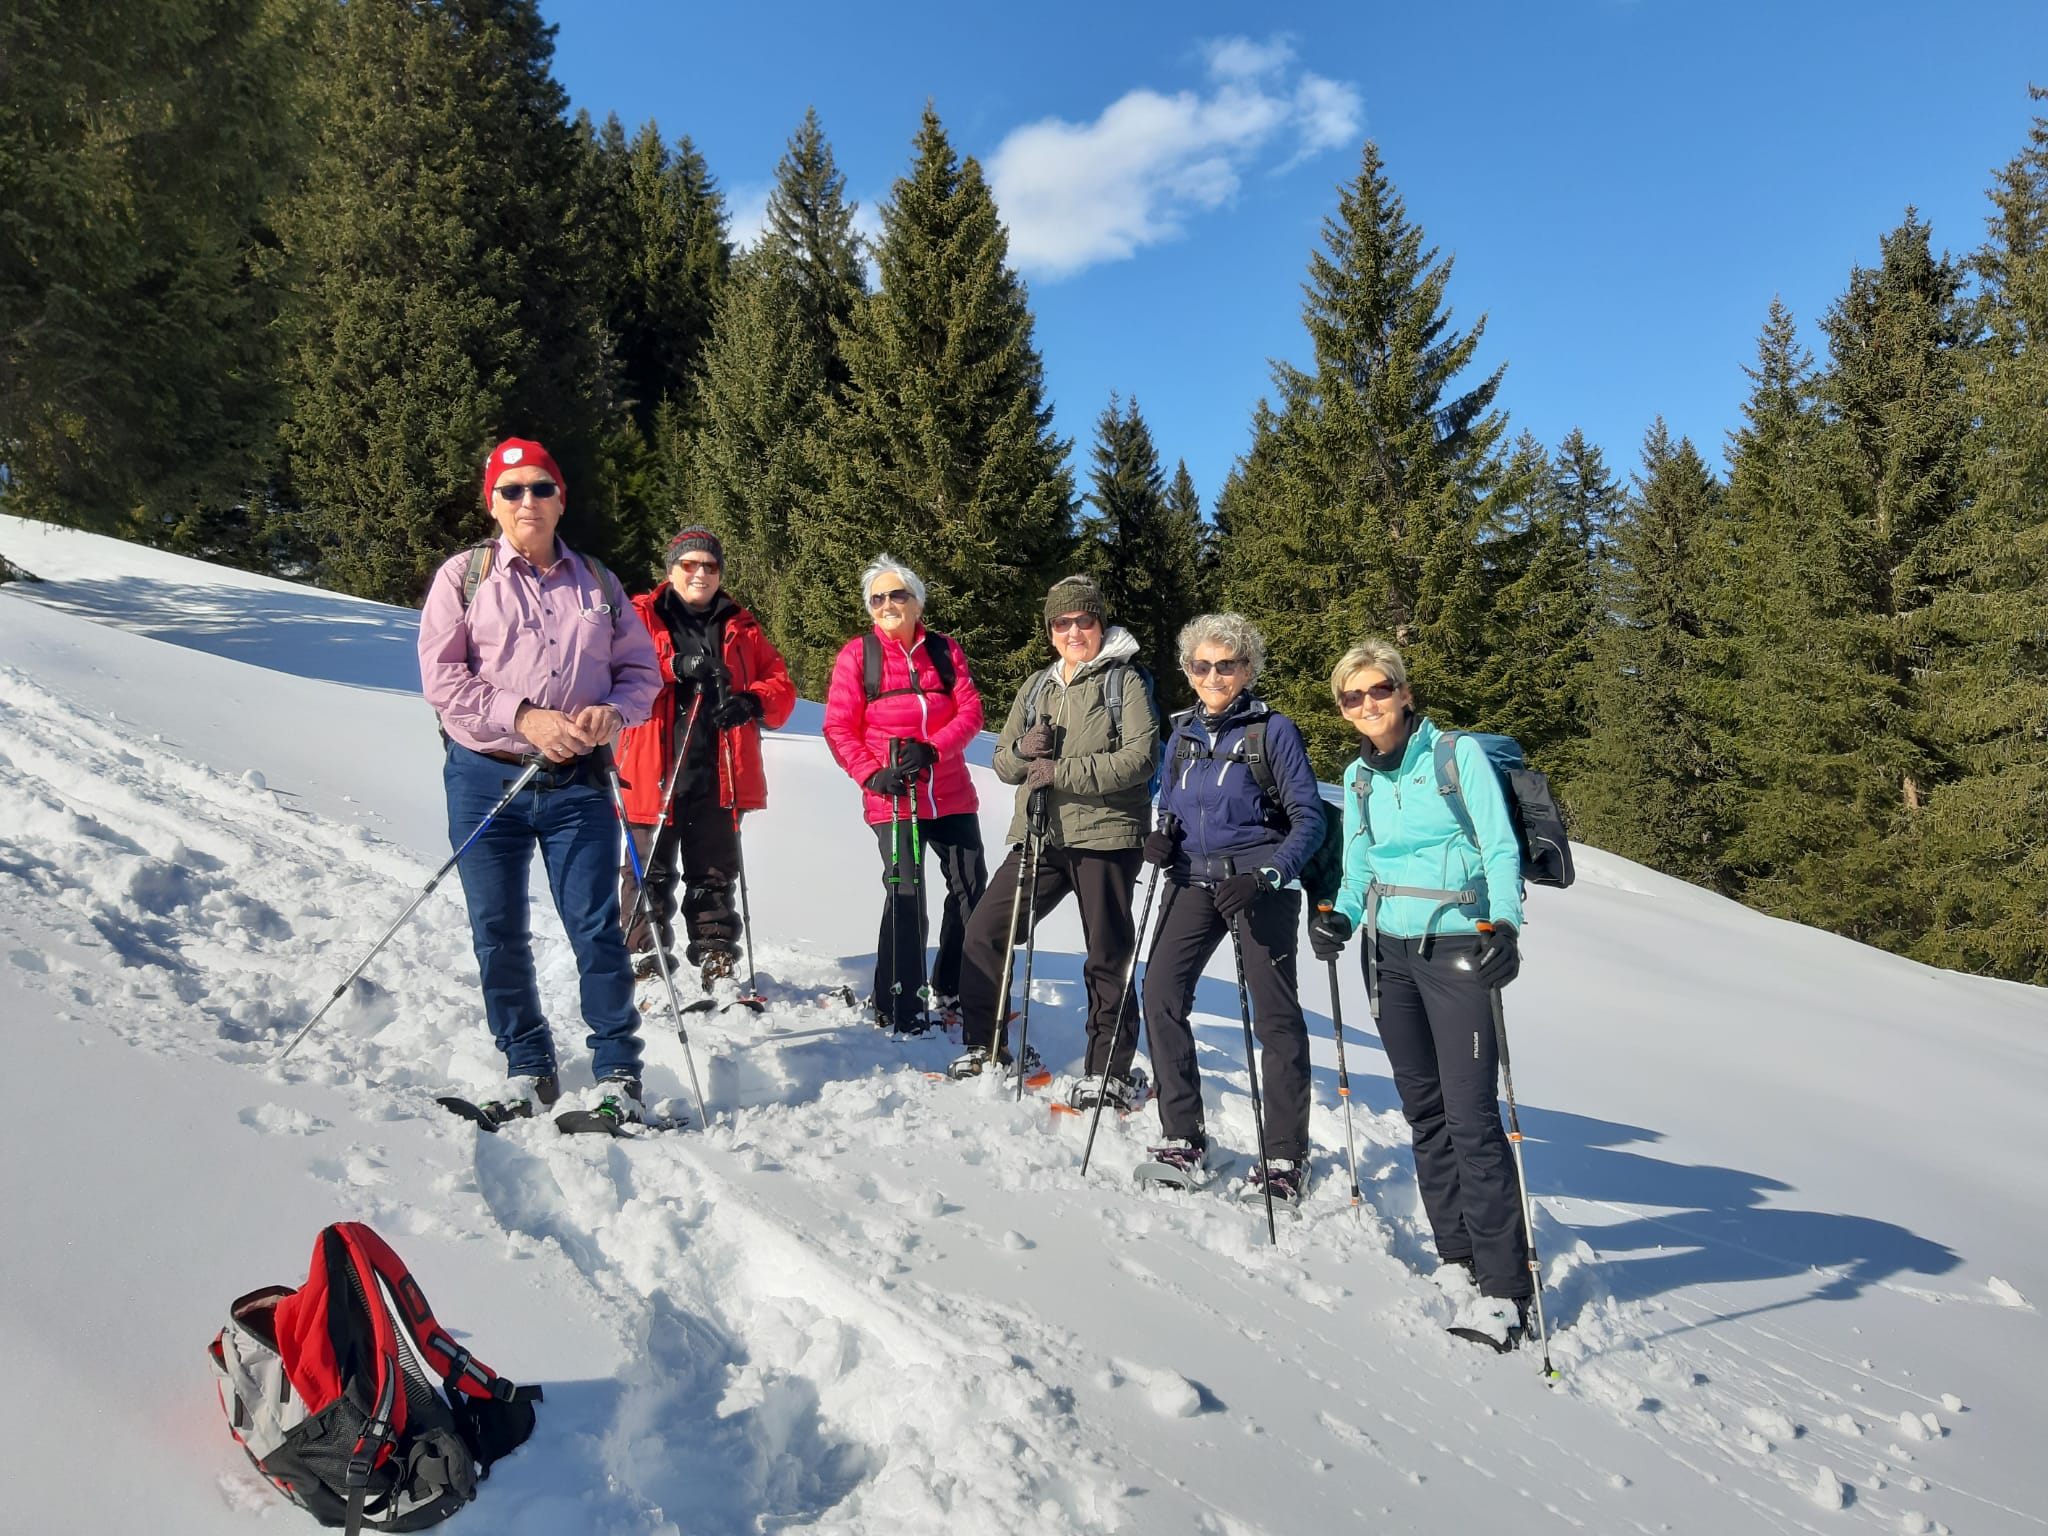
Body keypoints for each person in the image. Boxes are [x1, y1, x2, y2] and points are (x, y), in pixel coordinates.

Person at [417, 437, 661, 1125]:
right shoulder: (462, 579)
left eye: (541, 488)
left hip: (577, 782)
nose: (529, 501)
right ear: (491, 502)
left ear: (562, 499)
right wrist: (525, 718)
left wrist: (614, 711)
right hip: (483, 776)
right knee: (497, 928)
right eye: (513, 490)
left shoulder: (600, 585)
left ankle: (619, 1075)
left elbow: (642, 673)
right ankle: (528, 1068)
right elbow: (442, 679)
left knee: (595, 927)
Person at [1307, 639, 1532, 1346]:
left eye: (1378, 690)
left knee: (1471, 1116)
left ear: (1403, 692)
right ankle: (1456, 1257)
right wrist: (1338, 914)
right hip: (1390, 953)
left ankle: (1504, 1288)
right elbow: (1357, 863)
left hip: (1461, 945)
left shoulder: (1454, 756)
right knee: (1424, 1110)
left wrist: (1506, 927)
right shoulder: (1359, 775)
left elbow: (1499, 848)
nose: (1367, 704)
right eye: (1352, 697)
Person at [1138, 614, 1326, 1201]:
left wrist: (1268, 875)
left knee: (1274, 1018)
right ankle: (1183, 1135)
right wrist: (1161, 836)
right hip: (1192, 880)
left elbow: (1309, 819)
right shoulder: (1182, 733)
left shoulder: (1273, 732)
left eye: (1227, 665)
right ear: (1188, 671)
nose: (1213, 675)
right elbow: (1172, 801)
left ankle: (1285, 1155)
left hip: (1257, 886)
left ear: (1247, 669)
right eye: (1201, 665)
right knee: (1159, 995)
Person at [952, 575, 1160, 1080]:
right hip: (1040, 835)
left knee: (1106, 955)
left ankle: (1107, 1070)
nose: (1073, 631)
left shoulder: (1123, 680)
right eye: (1062, 623)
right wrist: (1025, 752)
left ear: (1099, 624)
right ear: (1050, 631)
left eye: (1083, 621)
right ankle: (987, 1046)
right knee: (984, 932)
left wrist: (1059, 771)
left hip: (1106, 835)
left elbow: (1141, 757)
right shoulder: (1038, 685)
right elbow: (1002, 761)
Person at [614, 527, 796, 992]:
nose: (699, 573)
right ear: (671, 569)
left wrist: (752, 702)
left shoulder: (741, 624)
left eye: (709, 566)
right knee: (648, 868)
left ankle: (716, 953)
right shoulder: (641, 614)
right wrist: (676, 666)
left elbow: (780, 686)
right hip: (652, 764)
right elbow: (615, 664)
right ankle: (644, 953)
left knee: (714, 870)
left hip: (719, 768)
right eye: (689, 564)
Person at [822, 556, 987, 1033]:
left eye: (898, 595)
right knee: (907, 891)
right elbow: (837, 727)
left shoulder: (944, 651)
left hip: (950, 792)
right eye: (878, 598)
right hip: (891, 798)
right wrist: (873, 775)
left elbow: (970, 713)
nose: (888, 604)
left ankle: (955, 987)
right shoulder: (860, 655)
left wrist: (934, 750)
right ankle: (897, 998)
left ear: (917, 601)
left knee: (972, 891)